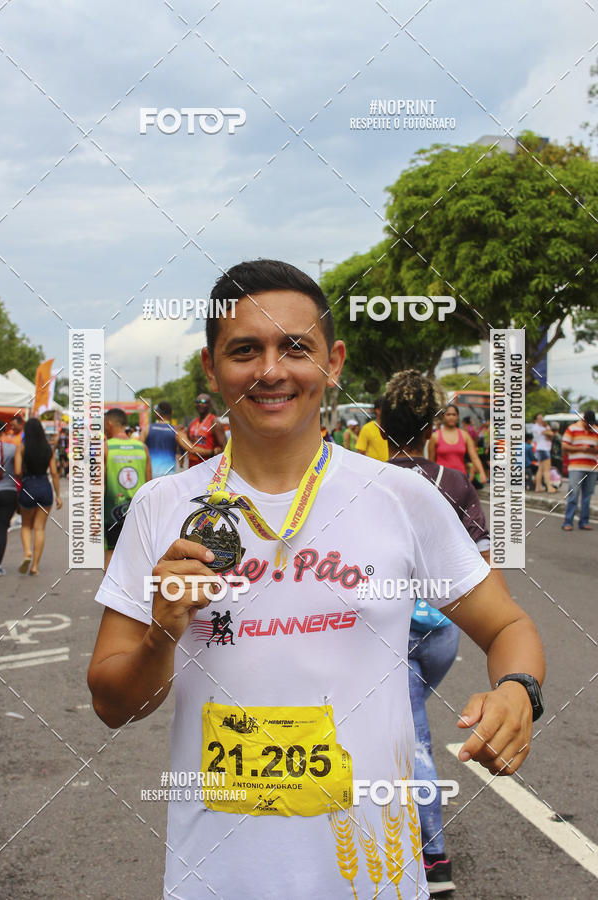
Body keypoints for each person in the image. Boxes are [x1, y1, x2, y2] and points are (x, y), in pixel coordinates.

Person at [88, 259, 544, 900]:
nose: (271, 371)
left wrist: (518, 692)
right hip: (216, 879)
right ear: (211, 367)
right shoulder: (162, 508)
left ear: (333, 362)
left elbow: (508, 625)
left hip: (372, 877)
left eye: (295, 348)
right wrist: (161, 636)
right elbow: (111, 703)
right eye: (245, 350)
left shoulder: (398, 498)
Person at [381, 370, 506, 895]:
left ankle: (433, 858)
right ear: (434, 428)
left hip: (392, 630)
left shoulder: (367, 480)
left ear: (381, 426)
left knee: (415, 739)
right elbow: (483, 570)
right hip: (444, 634)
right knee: (407, 728)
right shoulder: (454, 484)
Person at [104, 408, 151, 569]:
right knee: (136, 557)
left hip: (112, 512)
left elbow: (99, 484)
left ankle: (111, 593)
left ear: (109, 423)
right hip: (138, 512)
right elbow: (149, 483)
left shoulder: (105, 447)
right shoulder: (142, 448)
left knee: (111, 553)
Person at [14, 417, 62, 575]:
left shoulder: (22, 447)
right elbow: (54, 473)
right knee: (40, 528)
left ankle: (27, 552)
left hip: (28, 486)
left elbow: (17, 471)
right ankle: (34, 566)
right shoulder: (47, 449)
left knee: (26, 525)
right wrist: (58, 496)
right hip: (45, 487)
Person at [428, 404, 486, 484]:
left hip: (461, 480)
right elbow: (431, 462)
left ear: (457, 416)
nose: (451, 417)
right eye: (448, 414)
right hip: (441, 481)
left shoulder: (465, 435)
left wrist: (482, 472)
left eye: (454, 414)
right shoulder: (435, 436)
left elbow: (474, 457)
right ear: (443, 417)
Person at [561, 410, 598, 531]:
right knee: (573, 495)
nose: (590, 426)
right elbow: (564, 446)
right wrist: (581, 448)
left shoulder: (596, 430)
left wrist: (592, 450)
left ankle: (584, 522)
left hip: (592, 468)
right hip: (576, 467)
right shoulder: (572, 429)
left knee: (587, 497)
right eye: (588, 423)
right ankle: (568, 522)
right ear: (583, 420)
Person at [141, 401, 198, 478]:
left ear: (157, 413)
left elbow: (138, 449)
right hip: (168, 477)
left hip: (149, 475)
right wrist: (212, 451)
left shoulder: (147, 429)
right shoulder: (176, 431)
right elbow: (192, 449)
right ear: (171, 413)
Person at [0, 420, 19, 576]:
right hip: (8, 492)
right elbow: (19, 470)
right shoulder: (13, 448)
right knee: (2, 528)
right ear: (4, 431)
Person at [185, 394, 227, 467]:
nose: (200, 404)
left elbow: (225, 449)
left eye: (204, 402)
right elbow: (186, 443)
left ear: (210, 405)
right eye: (197, 401)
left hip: (208, 468)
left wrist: (213, 452)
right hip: (192, 467)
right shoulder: (192, 423)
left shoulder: (214, 423)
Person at [531, 413, 557, 494]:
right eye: (539, 418)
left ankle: (538, 487)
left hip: (542, 449)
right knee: (547, 469)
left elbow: (549, 435)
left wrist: (547, 429)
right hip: (543, 449)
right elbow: (550, 434)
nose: (541, 420)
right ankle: (549, 487)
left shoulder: (543, 427)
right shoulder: (536, 427)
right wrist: (547, 429)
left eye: (542, 418)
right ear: (535, 420)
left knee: (540, 469)